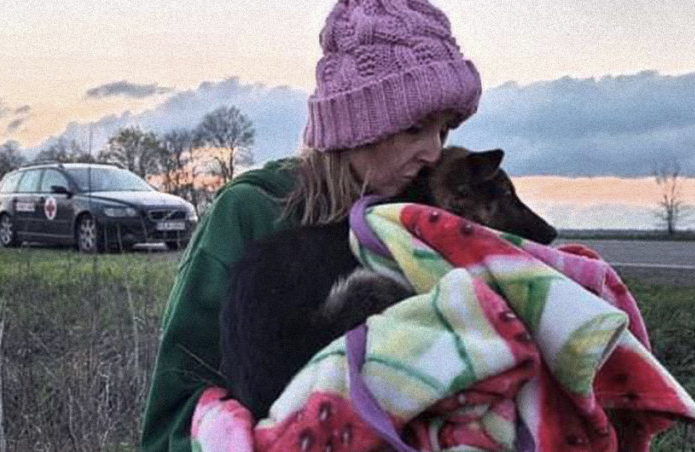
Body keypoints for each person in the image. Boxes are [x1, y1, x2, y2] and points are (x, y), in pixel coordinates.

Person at [140, 0, 482, 449]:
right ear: (356, 126)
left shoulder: (421, 229)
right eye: (415, 128)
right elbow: (171, 422)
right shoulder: (251, 213)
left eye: (445, 130)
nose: (435, 152)